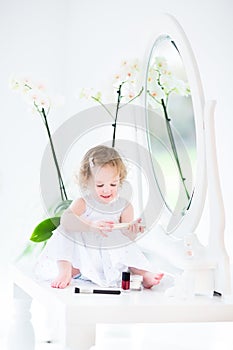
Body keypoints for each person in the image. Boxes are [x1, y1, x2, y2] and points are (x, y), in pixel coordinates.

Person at [39, 145, 163, 289]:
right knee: (64, 229)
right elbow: (66, 220)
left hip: (108, 260)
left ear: (120, 179)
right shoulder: (83, 203)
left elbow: (128, 240)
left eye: (113, 184)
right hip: (83, 258)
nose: (107, 189)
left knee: (123, 244)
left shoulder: (125, 207)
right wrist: (90, 226)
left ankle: (142, 273)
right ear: (87, 181)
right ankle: (65, 271)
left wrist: (132, 231)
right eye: (99, 185)